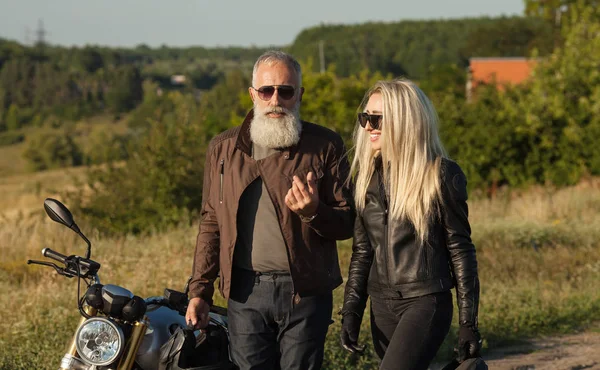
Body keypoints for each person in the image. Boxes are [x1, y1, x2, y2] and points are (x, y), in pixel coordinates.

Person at [185, 50, 355, 370]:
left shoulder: (325, 144)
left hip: (306, 292)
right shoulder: (223, 149)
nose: (276, 99)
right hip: (245, 292)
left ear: (299, 95)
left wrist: (314, 211)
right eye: (267, 90)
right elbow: (211, 224)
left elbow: (348, 222)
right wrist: (200, 291)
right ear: (253, 95)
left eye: (286, 91)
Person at [340, 79, 481, 370]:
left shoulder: (440, 174)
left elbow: (461, 251)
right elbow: (362, 252)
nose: (369, 127)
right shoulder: (366, 178)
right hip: (381, 305)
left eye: (377, 118)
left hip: (424, 301)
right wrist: (351, 311)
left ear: (404, 120)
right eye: (365, 118)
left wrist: (468, 323)